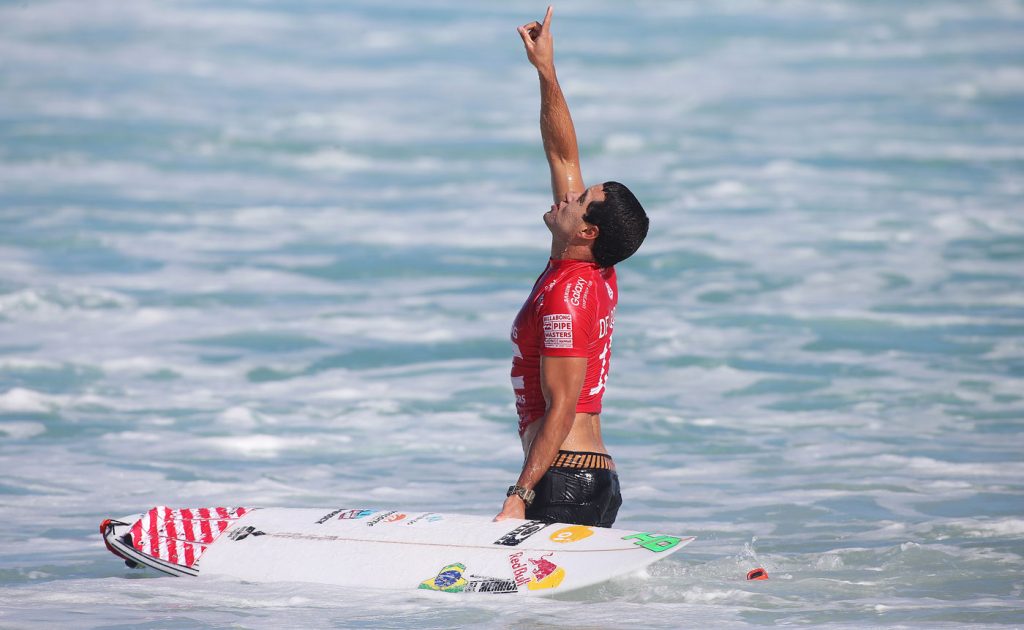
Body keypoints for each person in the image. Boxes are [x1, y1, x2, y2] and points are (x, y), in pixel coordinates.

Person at [494, 6, 649, 528]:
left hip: (563, 479)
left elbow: (561, 407)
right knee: (564, 616)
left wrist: (519, 493)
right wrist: (546, 71)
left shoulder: (567, 295)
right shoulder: (591, 267)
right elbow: (562, 154)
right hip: (585, 478)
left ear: (588, 232)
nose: (566, 196)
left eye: (578, 200)